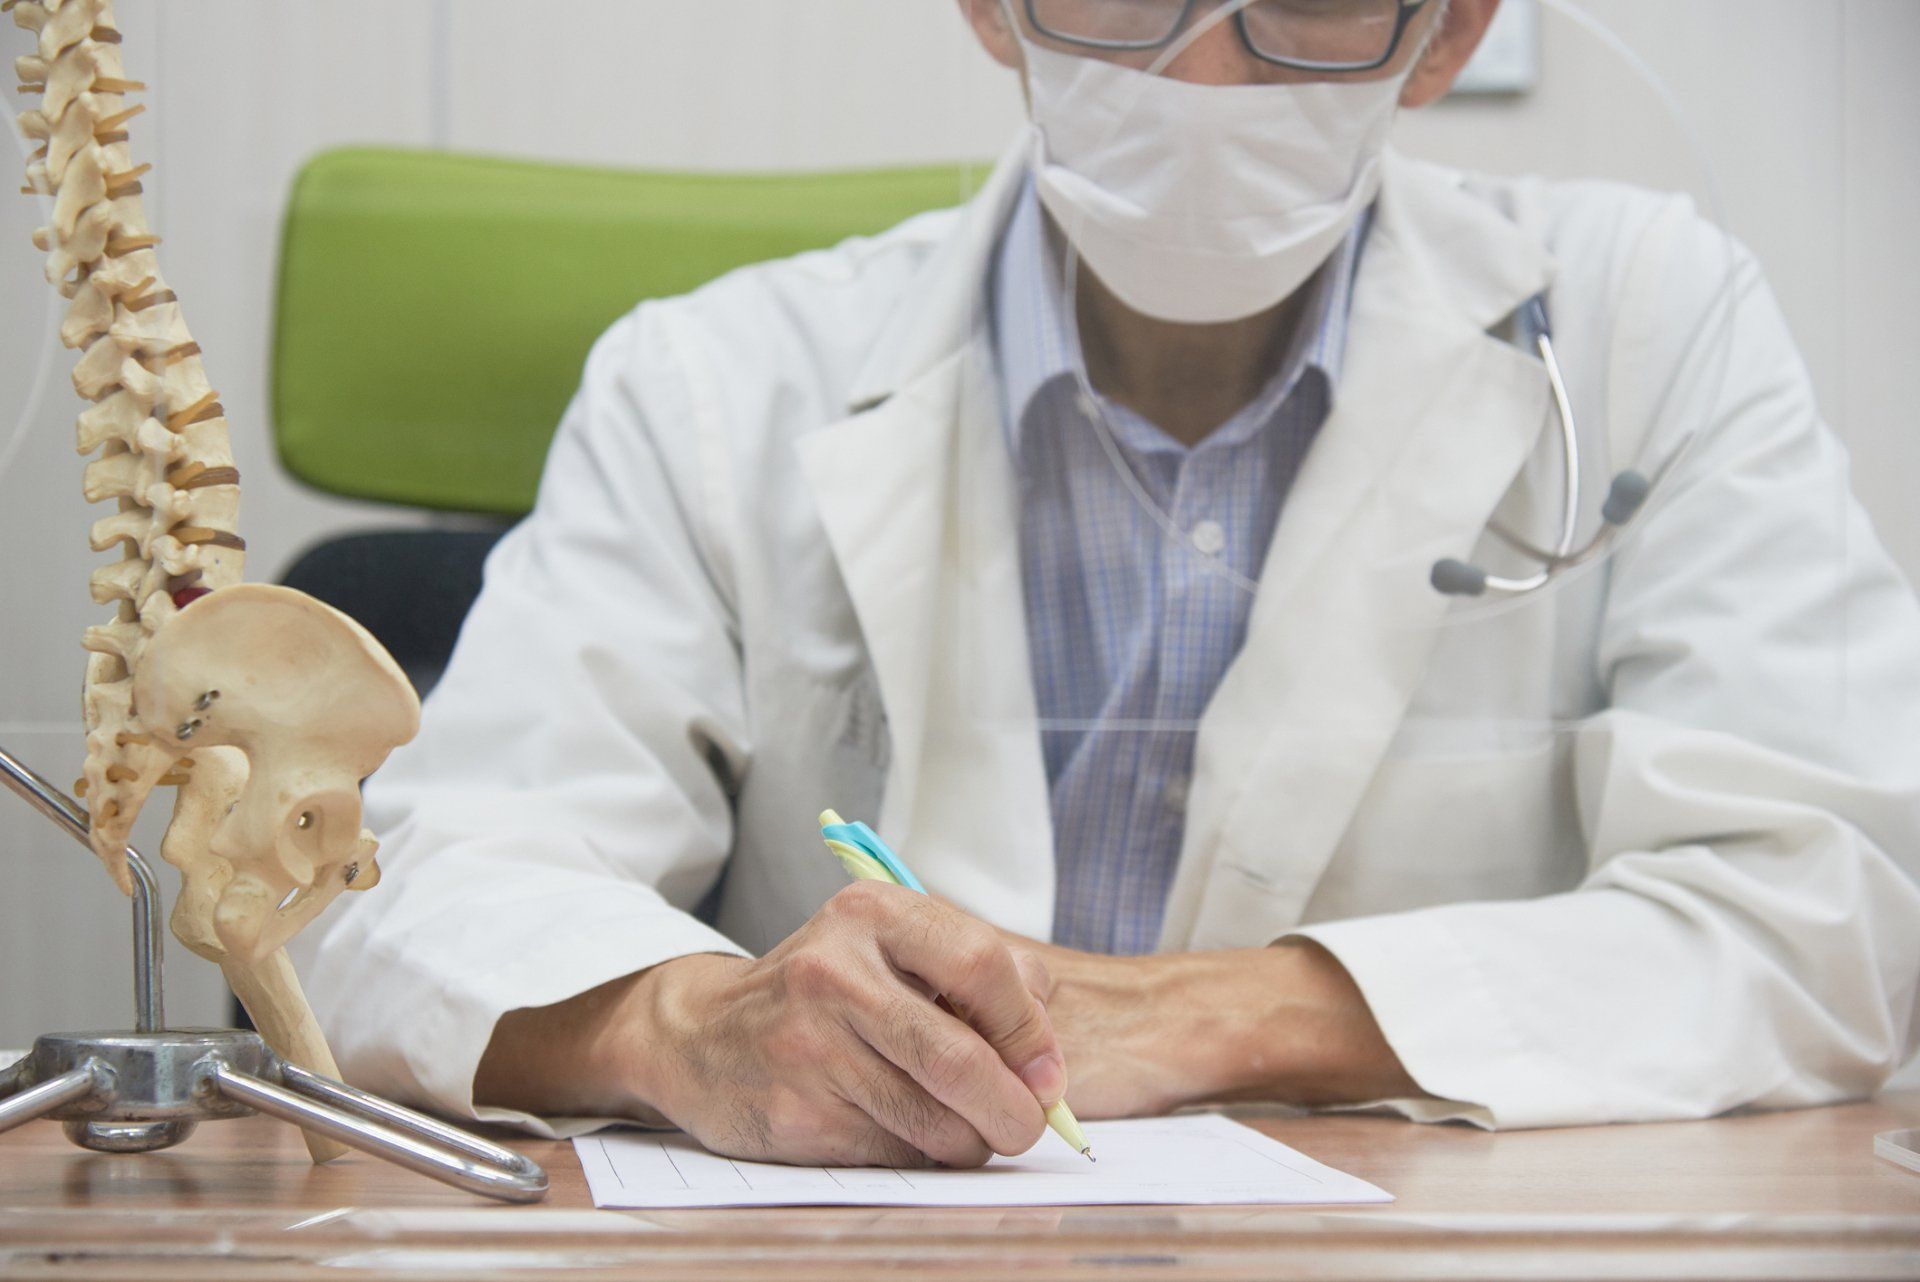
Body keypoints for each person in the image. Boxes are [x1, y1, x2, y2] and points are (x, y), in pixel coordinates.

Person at [308, 0, 1920, 1169]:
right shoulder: (712, 381)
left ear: (1448, 32)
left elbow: (1838, 898)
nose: (1203, 70)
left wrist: (1226, 1011)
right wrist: (681, 1023)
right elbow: (413, 893)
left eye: (1313, 0)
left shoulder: (1653, 328)